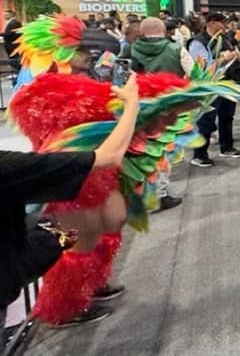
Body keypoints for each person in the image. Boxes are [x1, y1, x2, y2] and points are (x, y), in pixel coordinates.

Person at [0, 75, 139, 322]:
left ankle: (90, 286)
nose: (84, 53)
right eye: (77, 48)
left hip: (88, 164)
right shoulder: (43, 76)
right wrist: (132, 105)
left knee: (107, 226)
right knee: (77, 239)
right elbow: (108, 155)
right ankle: (64, 308)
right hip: (71, 165)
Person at [129, 17, 193, 212]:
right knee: (163, 151)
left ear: (141, 31)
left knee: (141, 151)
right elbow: (194, 72)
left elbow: (124, 77)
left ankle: (142, 194)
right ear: (164, 30)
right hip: (169, 107)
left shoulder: (130, 50)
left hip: (140, 107)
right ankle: (160, 195)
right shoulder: (175, 49)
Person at [188, 13, 240, 167]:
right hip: (209, 86)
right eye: (222, 23)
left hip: (227, 83)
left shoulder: (224, 38)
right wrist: (224, 59)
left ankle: (226, 147)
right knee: (206, 120)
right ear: (212, 23)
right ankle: (199, 154)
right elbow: (201, 66)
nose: (225, 26)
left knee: (227, 117)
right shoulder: (198, 42)